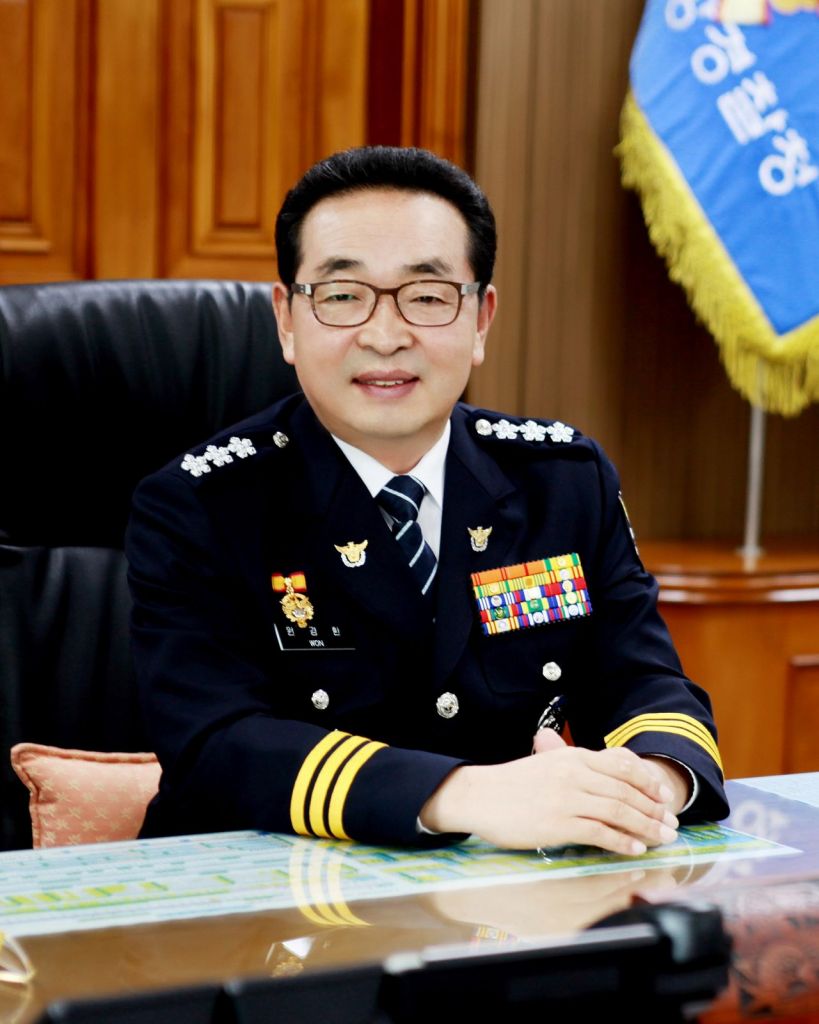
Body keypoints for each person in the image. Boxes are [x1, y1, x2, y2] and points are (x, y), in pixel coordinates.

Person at [126, 145, 728, 854]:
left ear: (480, 320)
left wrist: (648, 783)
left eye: (428, 296)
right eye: (342, 296)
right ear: (287, 320)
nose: (385, 337)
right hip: (267, 899)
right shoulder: (201, 502)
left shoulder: (562, 479)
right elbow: (215, 743)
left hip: (507, 893)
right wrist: (462, 796)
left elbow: (642, 680)